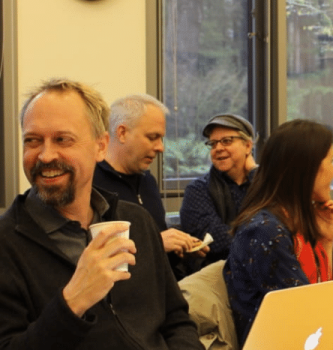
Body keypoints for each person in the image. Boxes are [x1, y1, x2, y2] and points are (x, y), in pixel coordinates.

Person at [0, 78, 201, 350]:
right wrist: (72, 302)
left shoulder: (137, 221)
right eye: (33, 140)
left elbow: (176, 321)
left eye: (62, 139)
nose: (45, 156)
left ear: (101, 146)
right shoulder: (7, 244)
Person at [224, 120, 333, 346]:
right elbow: (308, 313)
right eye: (331, 161)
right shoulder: (264, 230)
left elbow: (320, 300)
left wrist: (325, 241)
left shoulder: (290, 220)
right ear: (307, 168)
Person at [93, 94, 208, 278]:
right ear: (122, 133)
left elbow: (157, 251)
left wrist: (180, 250)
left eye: (161, 138)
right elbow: (92, 257)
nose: (161, 147)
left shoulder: (147, 180)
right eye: (152, 137)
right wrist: (156, 243)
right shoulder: (91, 185)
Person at [180, 113, 258, 267]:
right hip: (220, 269)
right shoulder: (198, 190)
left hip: (266, 266)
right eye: (213, 143)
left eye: (227, 141)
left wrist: (255, 173)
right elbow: (217, 241)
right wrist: (263, 241)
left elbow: (285, 220)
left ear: (248, 146)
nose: (218, 148)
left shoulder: (265, 183)